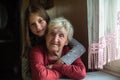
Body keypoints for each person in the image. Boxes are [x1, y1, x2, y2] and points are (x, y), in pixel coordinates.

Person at [22, 4, 86, 80]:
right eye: (33, 24)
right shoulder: (32, 47)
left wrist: (62, 61)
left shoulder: (58, 30)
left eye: (40, 21)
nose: (38, 27)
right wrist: (62, 72)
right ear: (28, 28)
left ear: (46, 19)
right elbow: (26, 74)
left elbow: (80, 48)